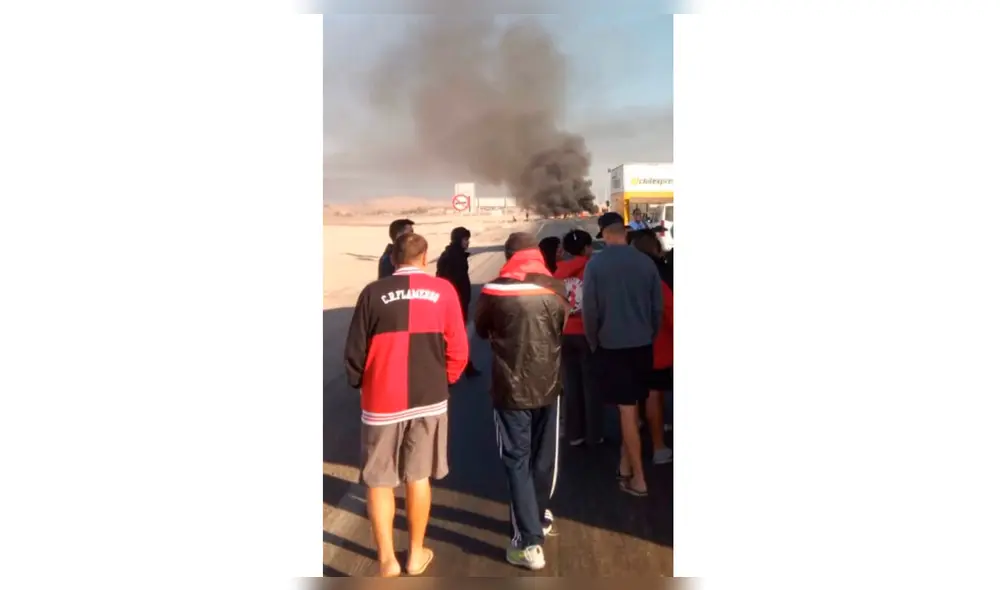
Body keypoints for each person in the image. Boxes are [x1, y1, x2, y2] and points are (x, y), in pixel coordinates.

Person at [344, 232, 469, 577]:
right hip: (429, 398)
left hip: (382, 399)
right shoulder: (444, 290)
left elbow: (355, 350)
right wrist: (448, 380)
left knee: (380, 480)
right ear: (424, 257)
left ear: (393, 258)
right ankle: (415, 555)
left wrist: (360, 384)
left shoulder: (372, 292)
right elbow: (458, 347)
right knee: (418, 477)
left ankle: (387, 561)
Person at [474, 232, 567, 571]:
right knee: (543, 459)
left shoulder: (494, 290)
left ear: (508, 255)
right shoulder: (555, 288)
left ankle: (528, 542)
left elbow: (481, 330)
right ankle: (537, 517)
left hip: (510, 390)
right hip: (549, 385)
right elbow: (561, 326)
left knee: (517, 459)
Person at [582, 212, 663, 497]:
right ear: (625, 233)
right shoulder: (646, 263)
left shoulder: (596, 265)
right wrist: (648, 336)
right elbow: (657, 309)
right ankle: (625, 464)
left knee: (626, 412)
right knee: (632, 407)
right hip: (642, 346)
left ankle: (639, 479)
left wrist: (594, 342)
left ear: (604, 234)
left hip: (613, 347)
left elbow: (589, 311)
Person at [554, 229, 604, 447]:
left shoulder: (557, 272)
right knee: (592, 386)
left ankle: (575, 433)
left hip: (564, 333)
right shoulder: (593, 269)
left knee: (571, 385)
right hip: (586, 332)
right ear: (586, 249)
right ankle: (595, 434)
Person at [629, 229, 674, 464]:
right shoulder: (659, 277)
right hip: (656, 345)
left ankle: (629, 454)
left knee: (632, 396)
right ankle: (658, 447)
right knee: (654, 393)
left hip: (625, 344)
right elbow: (670, 312)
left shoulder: (623, 275)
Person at [436, 226, 481, 377]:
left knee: (454, 337)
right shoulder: (454, 257)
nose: (467, 243)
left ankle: (461, 366)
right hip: (456, 302)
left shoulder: (452, 254)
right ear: (459, 240)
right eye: (465, 239)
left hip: (456, 301)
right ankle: (459, 368)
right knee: (457, 338)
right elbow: (449, 280)